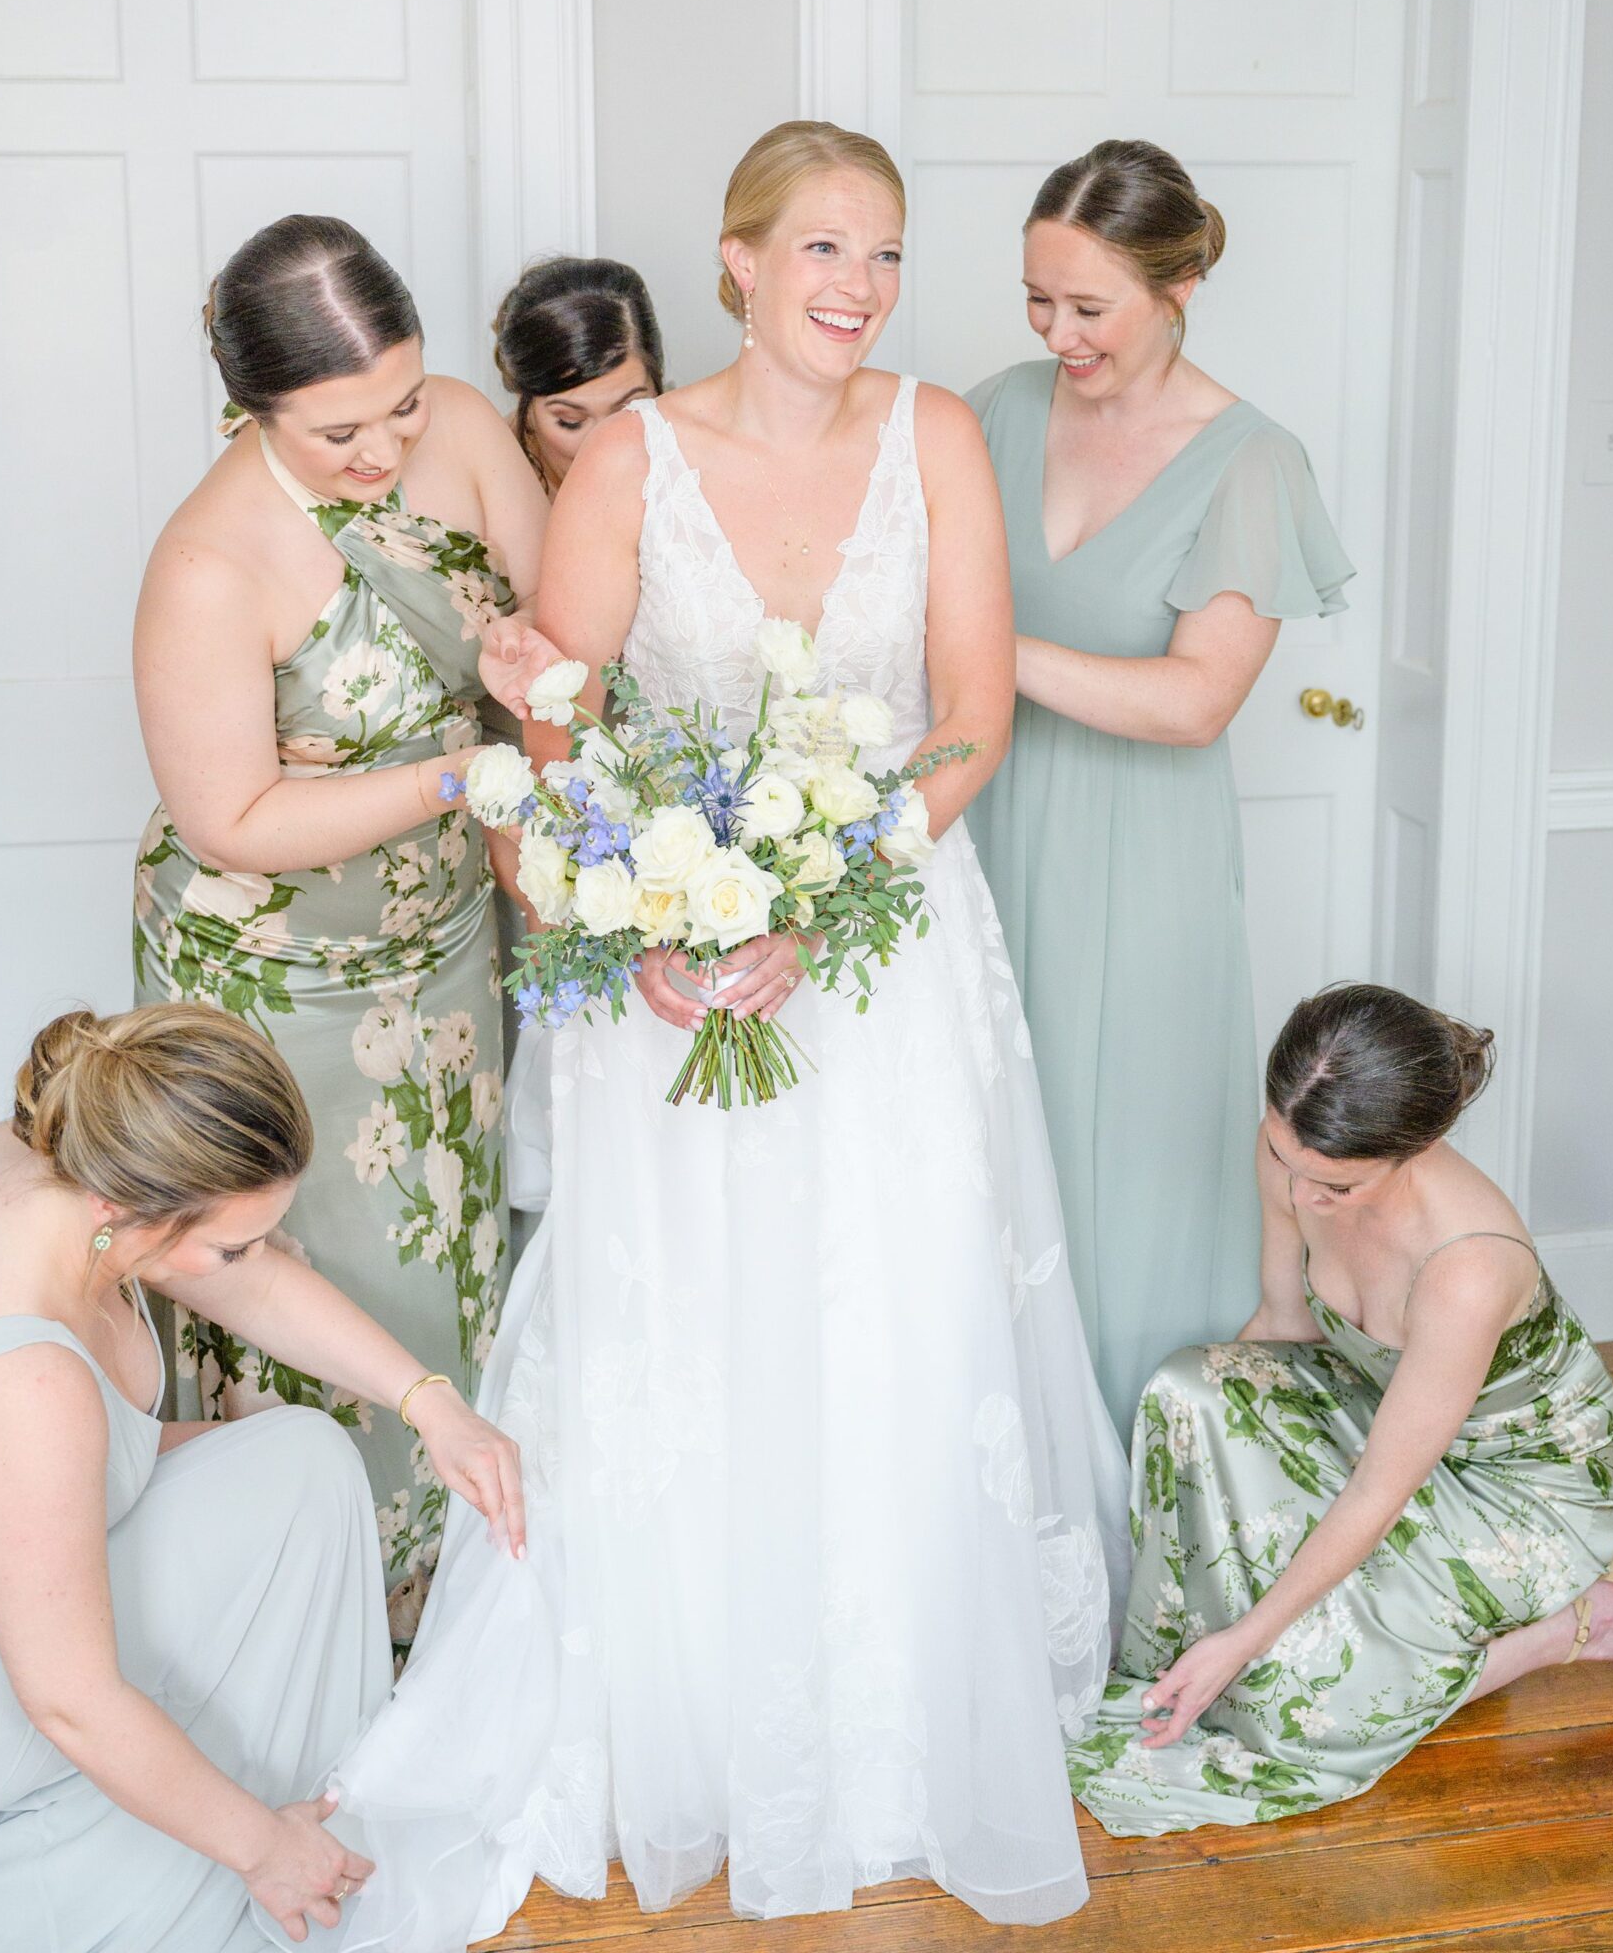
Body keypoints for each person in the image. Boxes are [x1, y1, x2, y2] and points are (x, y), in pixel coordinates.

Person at [321, 121, 1131, 1943]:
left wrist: (823, 887)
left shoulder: (935, 440)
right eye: (823, 250)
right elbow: (557, 729)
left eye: (887, 256)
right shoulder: (624, 459)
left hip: (882, 957)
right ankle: (685, 1718)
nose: (855, 288)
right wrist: (653, 917)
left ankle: (897, 1732)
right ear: (739, 262)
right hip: (664, 979)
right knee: (689, 1320)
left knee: (893, 1313)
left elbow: (969, 718)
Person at [132, 214, 547, 1633]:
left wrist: (526, 673)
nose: (383, 455)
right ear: (250, 410)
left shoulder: (474, 436)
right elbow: (232, 818)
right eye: (334, 434)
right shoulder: (209, 563)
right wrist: (445, 771)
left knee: (451, 1257)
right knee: (305, 1278)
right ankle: (328, 1622)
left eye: (403, 407)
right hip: (274, 979)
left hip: (442, 942)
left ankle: (462, 1602)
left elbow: (558, 637)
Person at [0, 1004, 525, 1953]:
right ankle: (244, 1849)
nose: (253, 1263)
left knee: (299, 1463)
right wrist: (261, 1849)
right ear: (124, 1212)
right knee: (281, 1495)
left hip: (6, 1587)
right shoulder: (27, 1378)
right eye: (232, 1243)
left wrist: (434, 1406)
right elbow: (68, 1698)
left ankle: (292, 1801)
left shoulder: (62, 1148)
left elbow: (243, 1287)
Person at [966, 141, 1353, 1432]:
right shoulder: (995, 411)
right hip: (981, 829)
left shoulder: (1248, 461)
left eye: (1088, 308)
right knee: (978, 1141)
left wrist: (988, 652)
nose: (1054, 333)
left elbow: (1193, 702)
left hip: (1138, 861)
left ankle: (1137, 1478)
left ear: (1178, 283)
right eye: (1037, 299)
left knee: (1117, 1161)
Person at [1068, 982, 1613, 1835]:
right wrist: (1222, 1461)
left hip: (1522, 1491)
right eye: (1284, 1158)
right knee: (1189, 1386)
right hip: (1393, 1419)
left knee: (1273, 1706)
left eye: (1335, 1188)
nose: (1302, 1198)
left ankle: (1572, 1622)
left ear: (1415, 1148)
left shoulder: (1466, 1265)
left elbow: (1379, 1493)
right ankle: (1317, 1633)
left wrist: (1243, 1638)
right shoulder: (1297, 1152)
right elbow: (1279, 1328)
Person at [489, 256, 666, 1211]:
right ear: (522, 415)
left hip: (678, 855)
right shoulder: (502, 523)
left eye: (627, 406)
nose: (604, 444)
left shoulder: (692, 487)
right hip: (543, 869)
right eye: (569, 420)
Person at [493, 254, 665, 497]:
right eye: (570, 421)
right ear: (526, 407)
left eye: (629, 413)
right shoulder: (492, 490)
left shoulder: (696, 455)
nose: (602, 447)